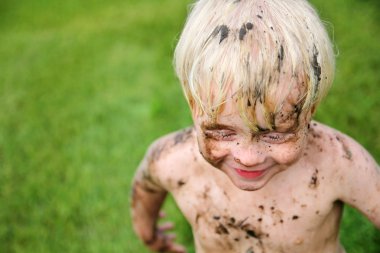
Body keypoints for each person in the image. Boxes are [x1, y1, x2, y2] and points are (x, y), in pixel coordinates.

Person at [130, 0, 380, 252]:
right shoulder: (172, 160)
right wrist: (149, 234)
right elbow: (146, 186)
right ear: (193, 104)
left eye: (274, 135)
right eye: (223, 132)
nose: (248, 157)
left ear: (309, 109)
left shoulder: (338, 162)